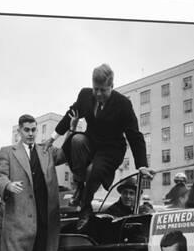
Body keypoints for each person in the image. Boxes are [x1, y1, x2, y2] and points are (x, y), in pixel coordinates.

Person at [44, 64, 154, 230]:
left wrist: (142, 165)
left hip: (112, 148)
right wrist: (51, 139)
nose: (99, 94)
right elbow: (70, 115)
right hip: (92, 141)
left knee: (93, 172)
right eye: (96, 89)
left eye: (103, 90)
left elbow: (135, 135)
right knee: (77, 140)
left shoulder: (123, 104)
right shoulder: (85, 95)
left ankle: (85, 208)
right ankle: (80, 185)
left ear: (112, 86)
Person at [0, 114, 66, 251]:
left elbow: (67, 153)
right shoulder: (7, 151)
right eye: (27, 130)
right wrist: (7, 185)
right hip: (17, 221)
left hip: (42, 222)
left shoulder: (46, 150)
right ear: (20, 131)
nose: (31, 134)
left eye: (34, 130)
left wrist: (72, 129)